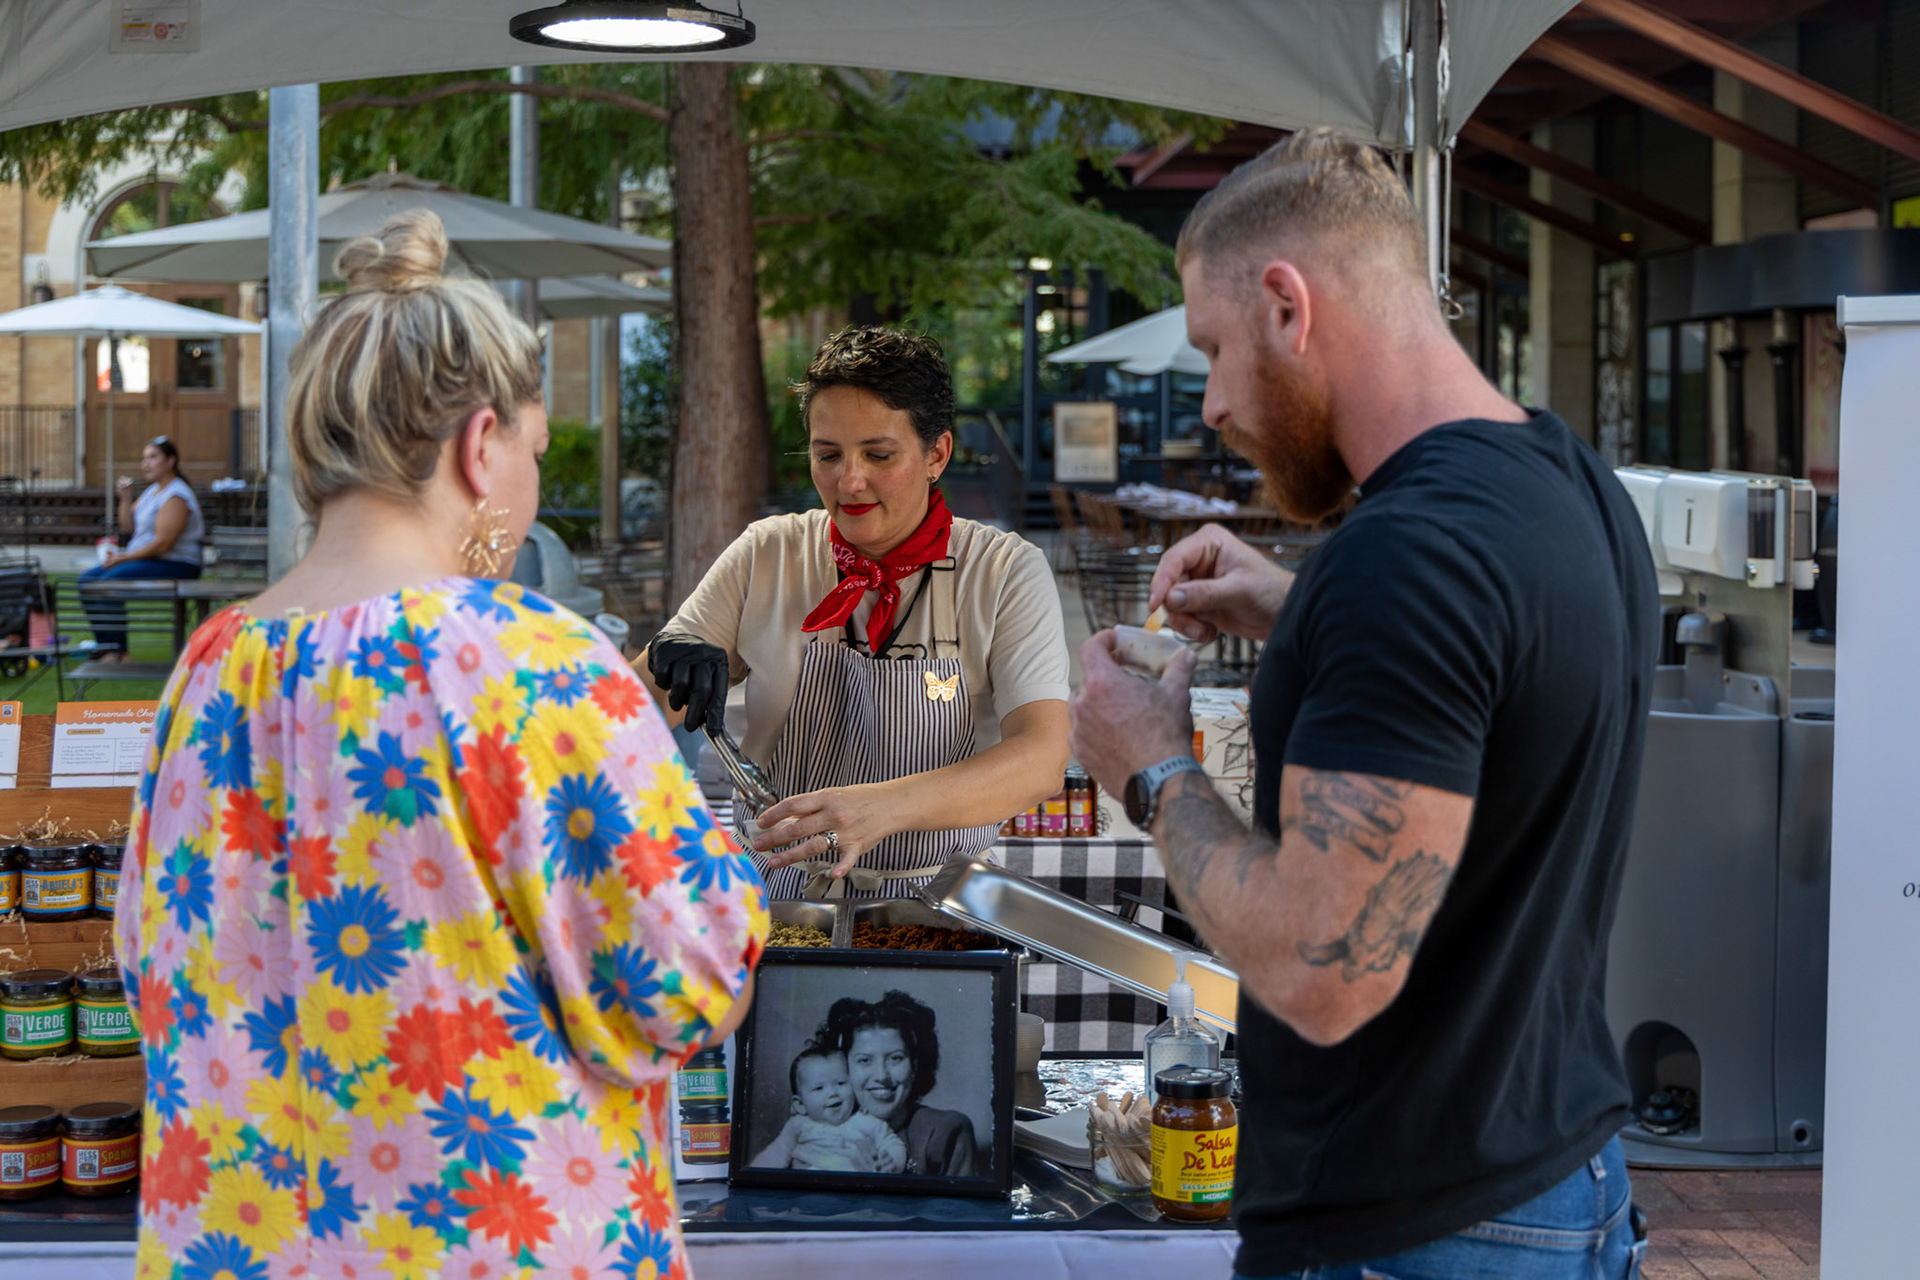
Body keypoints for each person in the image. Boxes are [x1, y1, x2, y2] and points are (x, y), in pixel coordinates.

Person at [115, 210, 766, 1280]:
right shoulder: (533, 654)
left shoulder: (206, 670)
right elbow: (688, 978)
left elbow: (153, 969)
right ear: (480, 443)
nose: (531, 487)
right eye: (537, 451)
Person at [1069, 129, 1657, 1278]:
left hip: (1415, 1226)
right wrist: (1298, 611)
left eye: (1217, 348)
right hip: (1562, 1174)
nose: (1214, 406)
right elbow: (1502, 671)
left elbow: (1321, 968)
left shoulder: (1403, 558)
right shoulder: (1565, 480)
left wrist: (1152, 766)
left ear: (1289, 305)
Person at [643, 326, 1071, 899]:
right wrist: (664, 666)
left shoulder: (1003, 572)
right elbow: (617, 713)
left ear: (936, 454)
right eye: (828, 455)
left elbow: (1040, 757)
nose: (849, 481)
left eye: (878, 454)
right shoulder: (767, 554)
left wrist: (878, 809)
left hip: (935, 904)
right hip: (777, 897)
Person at [820, 989, 978, 1176]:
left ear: (914, 1065)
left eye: (895, 1058)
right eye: (864, 1060)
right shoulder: (820, 1126)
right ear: (844, 1068)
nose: (881, 1076)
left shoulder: (946, 1130)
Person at [79, 434, 203, 659]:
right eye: (144, 458)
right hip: (148, 559)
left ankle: (119, 652)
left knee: (109, 582)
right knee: (86, 581)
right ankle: (108, 647)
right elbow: (128, 528)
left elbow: (163, 544)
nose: (146, 463)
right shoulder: (152, 491)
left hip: (176, 563)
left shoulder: (176, 494)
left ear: (170, 460)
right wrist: (125, 499)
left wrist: (124, 558)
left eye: (153, 457)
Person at [749, 1043, 908, 1172]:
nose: (833, 1093)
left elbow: (894, 1145)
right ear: (800, 1104)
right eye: (819, 1088)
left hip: (853, 1197)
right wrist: (752, 1179)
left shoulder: (867, 1122)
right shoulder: (797, 1125)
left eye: (840, 1083)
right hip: (806, 1195)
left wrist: (891, 1162)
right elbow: (774, 1155)